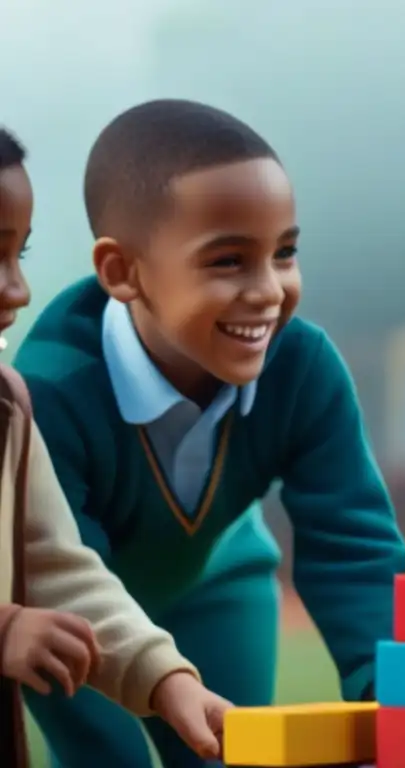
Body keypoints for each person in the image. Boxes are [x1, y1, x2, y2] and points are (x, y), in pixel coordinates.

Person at [13, 101, 405, 767]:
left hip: (218, 580)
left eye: (284, 253)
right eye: (228, 261)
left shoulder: (304, 367)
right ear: (121, 272)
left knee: (233, 754)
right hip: (77, 617)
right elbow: (58, 572)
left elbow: (353, 549)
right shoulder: (50, 393)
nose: (269, 291)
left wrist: (393, 708)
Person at [0, 128, 233, 767]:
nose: (17, 288)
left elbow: (55, 566)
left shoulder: (9, 409)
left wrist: (165, 679)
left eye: (19, 254)